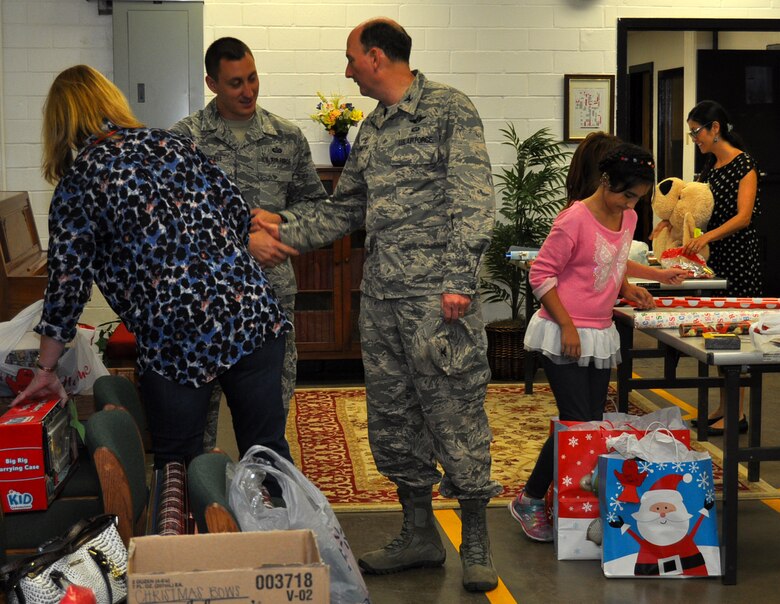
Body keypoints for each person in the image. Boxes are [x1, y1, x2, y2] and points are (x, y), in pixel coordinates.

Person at [256, 18, 501, 593]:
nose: (346, 71)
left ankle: (476, 541)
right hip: (383, 300)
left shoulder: (448, 110)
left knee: (456, 415)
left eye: (349, 59)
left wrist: (459, 281)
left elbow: (474, 197)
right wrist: (283, 224)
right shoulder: (374, 128)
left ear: (374, 57)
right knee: (394, 420)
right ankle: (418, 534)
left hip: (439, 303)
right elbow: (348, 209)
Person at [11, 65, 295, 471]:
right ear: (112, 101)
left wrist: (45, 367)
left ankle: (192, 529)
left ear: (61, 123)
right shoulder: (170, 143)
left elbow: (67, 287)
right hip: (249, 311)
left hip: (176, 334)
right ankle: (283, 534)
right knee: (267, 453)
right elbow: (235, 210)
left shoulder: (79, 184)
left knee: (177, 467)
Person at [171, 37, 328, 444]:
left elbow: (316, 208)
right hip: (204, 300)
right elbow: (172, 224)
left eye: (253, 78)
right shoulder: (183, 141)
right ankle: (203, 502)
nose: (248, 91)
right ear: (211, 83)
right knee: (199, 424)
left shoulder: (286, 137)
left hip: (270, 298)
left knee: (268, 419)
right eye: (236, 83)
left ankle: (267, 500)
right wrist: (242, 240)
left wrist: (283, 221)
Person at [508, 143, 658, 543]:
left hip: (598, 331)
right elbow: (540, 276)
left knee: (588, 424)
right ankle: (530, 498)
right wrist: (568, 326)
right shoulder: (573, 219)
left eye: (638, 198)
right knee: (576, 420)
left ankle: (557, 498)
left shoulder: (626, 217)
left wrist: (628, 289)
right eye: (626, 194)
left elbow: (613, 259)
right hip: (562, 333)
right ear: (605, 180)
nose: (630, 204)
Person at [657, 100, 762, 435]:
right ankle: (723, 408)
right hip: (714, 259)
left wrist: (706, 238)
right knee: (718, 337)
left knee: (739, 337)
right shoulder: (710, 168)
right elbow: (695, 208)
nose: (695, 139)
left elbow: (743, 217)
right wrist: (669, 224)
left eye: (696, 132)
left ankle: (738, 414)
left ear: (715, 128)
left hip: (738, 260)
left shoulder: (744, 164)